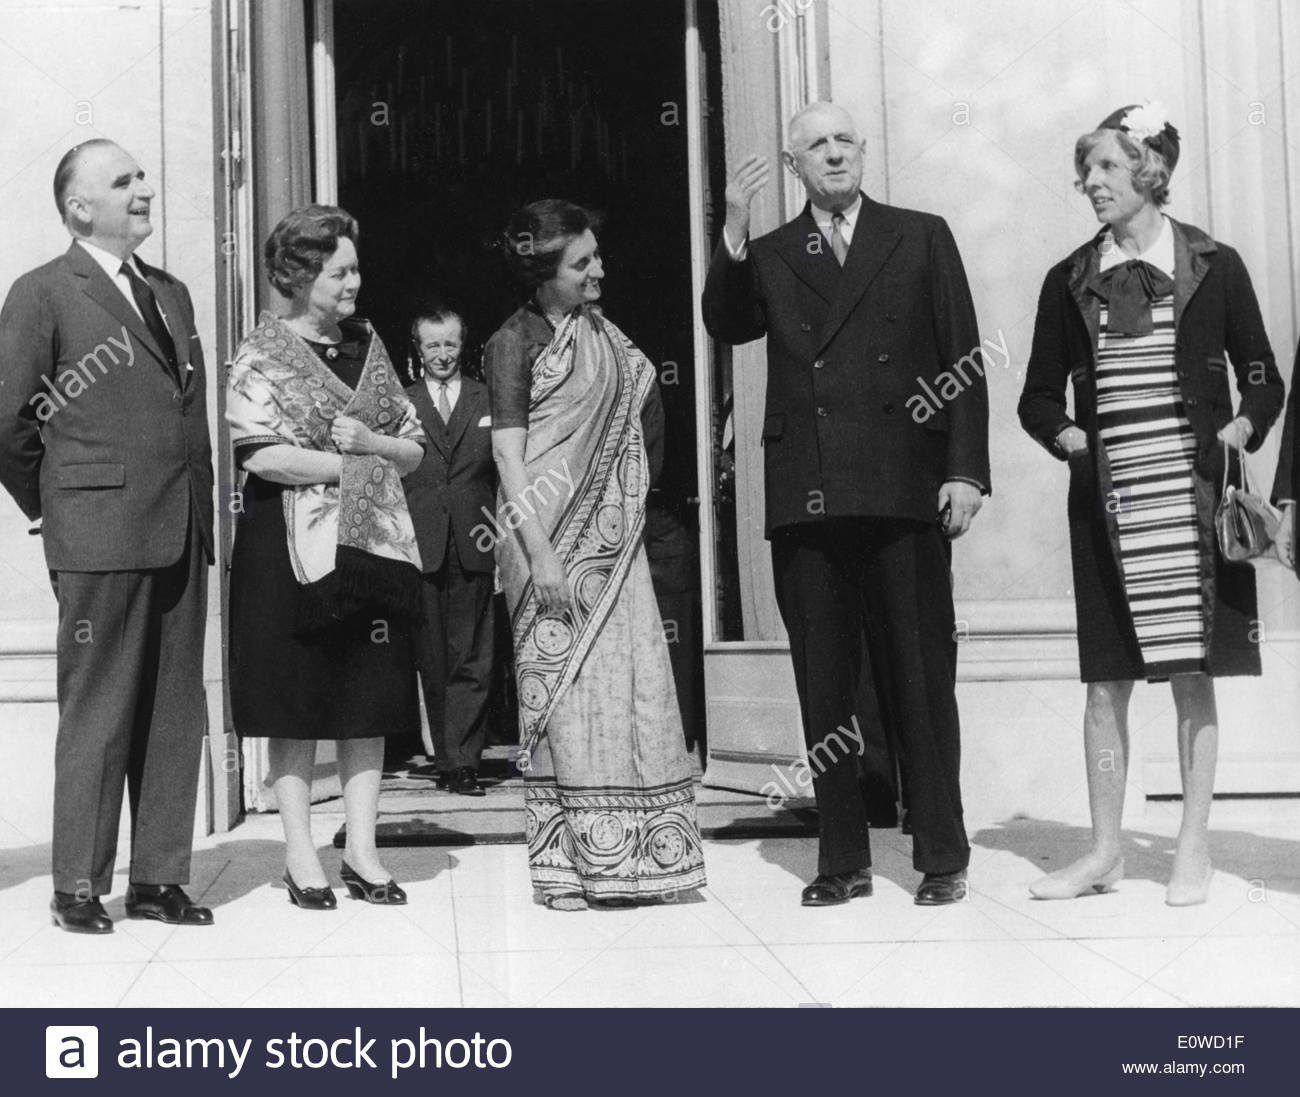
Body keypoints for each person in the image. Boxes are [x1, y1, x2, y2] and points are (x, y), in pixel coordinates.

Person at [703, 101, 989, 908]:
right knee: (824, 683)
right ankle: (841, 856)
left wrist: (965, 471)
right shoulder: (768, 251)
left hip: (904, 489)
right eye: (815, 146)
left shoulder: (920, 234)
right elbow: (727, 325)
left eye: (844, 141)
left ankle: (941, 851)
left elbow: (963, 358)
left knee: (921, 678)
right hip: (809, 495)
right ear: (793, 165)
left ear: (863, 152)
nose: (833, 155)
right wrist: (731, 229)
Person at [1018, 102, 1283, 906]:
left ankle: (1192, 847)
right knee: (1106, 683)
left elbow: (1264, 374)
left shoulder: (1216, 264)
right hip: (1112, 505)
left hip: (1192, 502)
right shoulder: (1069, 279)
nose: (1088, 183)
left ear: (1149, 170)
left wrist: (1240, 425)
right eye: (1085, 170)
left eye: (1103, 167)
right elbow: (1037, 397)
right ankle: (1104, 850)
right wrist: (1072, 439)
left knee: (1192, 674)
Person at [0, 139, 215, 934]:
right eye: (123, 180)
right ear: (78, 205)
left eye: (144, 176)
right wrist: (56, 500)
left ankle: (159, 877)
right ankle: (78, 885)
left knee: (172, 711)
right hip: (97, 533)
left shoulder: (173, 293)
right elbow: (8, 421)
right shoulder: (44, 292)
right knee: (97, 710)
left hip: (180, 529)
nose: (145, 189)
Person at [485, 199, 707, 910]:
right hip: (542, 540)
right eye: (582, 263)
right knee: (563, 699)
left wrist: (625, 501)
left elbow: (642, 413)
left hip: (614, 542)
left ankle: (648, 860)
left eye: (596, 256)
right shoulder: (511, 342)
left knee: (634, 689)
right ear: (544, 271)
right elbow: (508, 458)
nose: (598, 270)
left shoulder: (605, 337)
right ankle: (569, 869)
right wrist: (542, 552)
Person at [226, 205, 426, 909]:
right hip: (285, 549)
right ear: (302, 275)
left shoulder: (368, 345)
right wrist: (352, 464)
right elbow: (261, 455)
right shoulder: (260, 351)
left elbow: (412, 445)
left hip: (370, 544)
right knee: (296, 700)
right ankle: (301, 854)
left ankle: (364, 850)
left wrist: (374, 452)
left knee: (368, 697)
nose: (354, 282)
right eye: (340, 270)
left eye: (355, 268)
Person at [400, 303, 496, 795]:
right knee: (432, 658)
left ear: (464, 346)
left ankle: (465, 762)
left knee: (473, 657)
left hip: (477, 543)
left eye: (450, 344)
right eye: (432, 345)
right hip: (421, 545)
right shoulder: (401, 401)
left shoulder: (489, 398)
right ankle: (444, 756)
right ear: (419, 349)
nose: (442, 354)